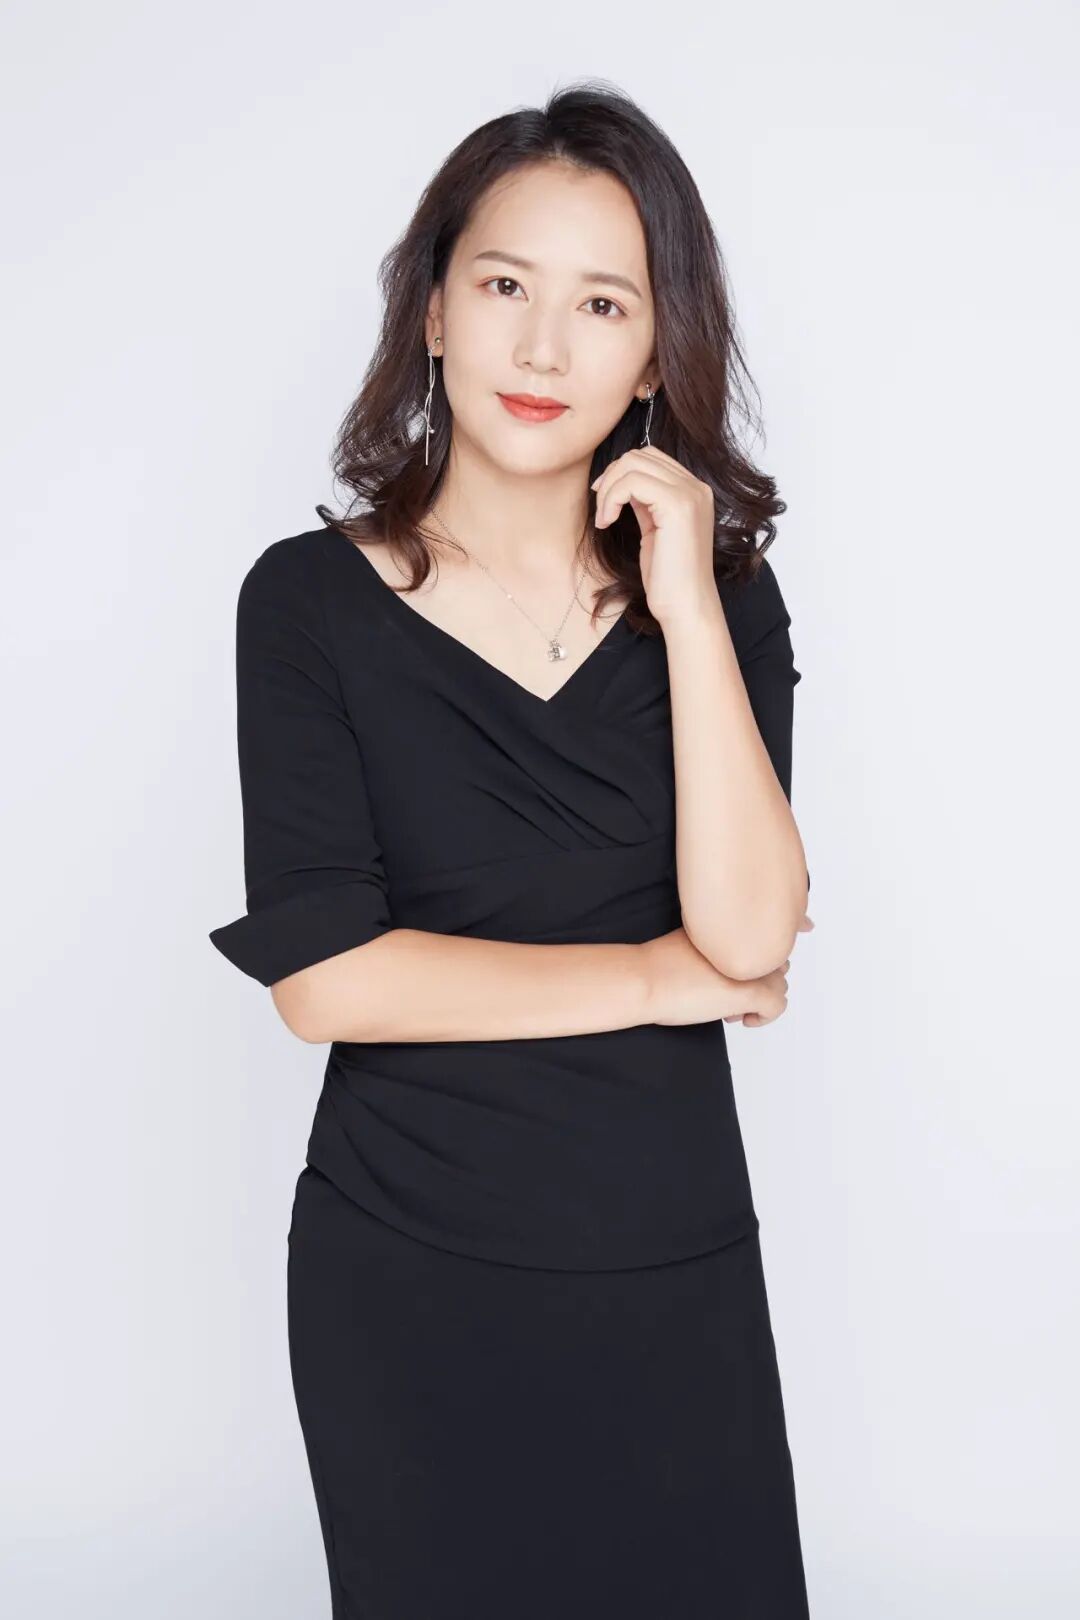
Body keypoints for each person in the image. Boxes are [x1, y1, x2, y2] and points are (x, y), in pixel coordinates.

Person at [210, 81, 814, 1619]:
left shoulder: (721, 606)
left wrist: (688, 605)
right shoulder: (306, 604)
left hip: (671, 1257)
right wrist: (650, 978)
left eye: (603, 304)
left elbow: (750, 937)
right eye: (503, 287)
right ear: (431, 311)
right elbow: (327, 981)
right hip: (409, 1267)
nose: (543, 350)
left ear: (656, 350)